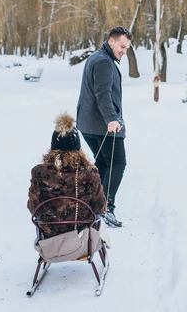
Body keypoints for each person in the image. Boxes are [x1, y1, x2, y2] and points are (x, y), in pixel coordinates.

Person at [76, 26, 132, 228]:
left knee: (104, 162)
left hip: (89, 124)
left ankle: (94, 204)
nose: (124, 51)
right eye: (122, 46)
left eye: (126, 48)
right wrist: (111, 118)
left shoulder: (99, 58)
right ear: (111, 41)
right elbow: (103, 94)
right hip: (102, 125)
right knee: (118, 162)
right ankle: (106, 206)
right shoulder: (103, 62)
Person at [27, 112, 107, 239]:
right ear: (77, 148)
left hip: (49, 239)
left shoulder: (39, 172)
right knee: (97, 218)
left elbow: (34, 207)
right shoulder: (90, 173)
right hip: (81, 239)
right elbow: (99, 207)